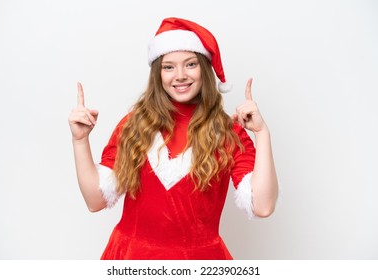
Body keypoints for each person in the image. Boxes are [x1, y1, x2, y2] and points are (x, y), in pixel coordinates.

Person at [68, 17, 278, 260]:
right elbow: (95, 201)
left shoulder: (228, 132)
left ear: (205, 69)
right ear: (158, 74)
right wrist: (80, 141)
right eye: (168, 67)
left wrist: (262, 134)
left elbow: (263, 206)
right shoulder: (134, 125)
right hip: (130, 259)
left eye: (190, 64)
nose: (179, 75)